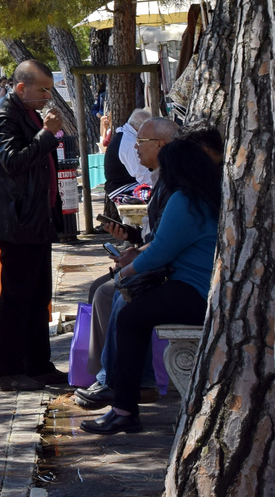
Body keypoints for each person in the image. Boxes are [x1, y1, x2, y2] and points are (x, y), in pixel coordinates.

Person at [81, 133, 221, 434]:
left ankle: (124, 408)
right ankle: (121, 399)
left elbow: (159, 251)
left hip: (194, 290)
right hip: (203, 286)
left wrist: (124, 273)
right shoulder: (208, 195)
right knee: (132, 314)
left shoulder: (185, 200)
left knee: (131, 318)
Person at [74, 115, 178, 408]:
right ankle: (107, 377)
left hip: (177, 276)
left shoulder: (176, 187)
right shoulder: (162, 179)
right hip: (162, 267)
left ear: (160, 145)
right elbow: (157, 238)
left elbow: (166, 244)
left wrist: (134, 260)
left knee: (116, 292)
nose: (134, 148)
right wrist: (131, 237)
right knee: (102, 288)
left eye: (140, 143)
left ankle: (119, 381)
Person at [0, 59, 66, 390]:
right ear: (21, 88)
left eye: (50, 88)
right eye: (43, 89)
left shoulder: (25, 111)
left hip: (34, 218)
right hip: (17, 220)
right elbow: (14, 161)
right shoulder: (4, 115)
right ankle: (9, 369)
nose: (49, 95)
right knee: (17, 297)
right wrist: (47, 135)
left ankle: (37, 363)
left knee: (37, 295)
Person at [116, 109, 155, 186]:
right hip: (124, 188)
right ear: (141, 127)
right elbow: (142, 177)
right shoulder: (129, 143)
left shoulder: (126, 134)